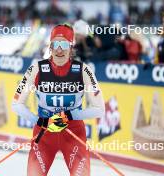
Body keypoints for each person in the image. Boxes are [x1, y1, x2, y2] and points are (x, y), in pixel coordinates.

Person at [12, 24, 105, 176]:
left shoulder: (83, 70)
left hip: (73, 134)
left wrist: (69, 115)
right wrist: (39, 121)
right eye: (55, 44)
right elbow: (16, 104)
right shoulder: (36, 69)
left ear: (71, 46)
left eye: (64, 44)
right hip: (44, 134)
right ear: (50, 46)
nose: (59, 50)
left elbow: (100, 109)